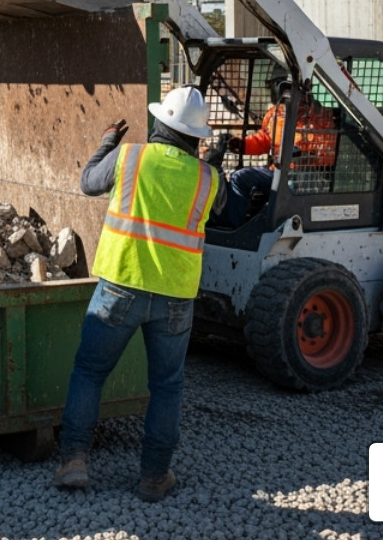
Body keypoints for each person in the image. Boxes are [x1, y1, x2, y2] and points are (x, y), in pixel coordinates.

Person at [54, 85, 225, 502]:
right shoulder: (208, 179)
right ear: (197, 137)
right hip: (175, 299)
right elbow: (216, 210)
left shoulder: (130, 156)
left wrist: (106, 141)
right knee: (167, 385)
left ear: (160, 123)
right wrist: (213, 165)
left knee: (90, 373)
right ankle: (154, 476)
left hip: (121, 287)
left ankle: (74, 461)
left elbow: (88, 182)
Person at [209, 76, 338, 231]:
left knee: (291, 186)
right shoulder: (276, 114)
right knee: (240, 177)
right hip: (277, 171)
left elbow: (328, 153)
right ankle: (233, 225)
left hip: (307, 175)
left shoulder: (320, 119)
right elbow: (265, 139)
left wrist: (306, 156)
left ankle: (279, 221)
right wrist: (244, 145)